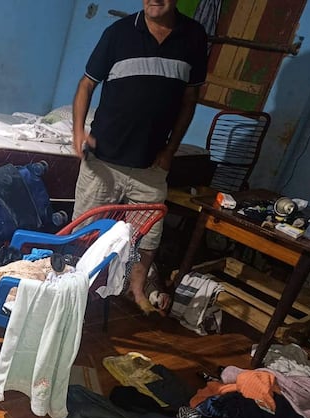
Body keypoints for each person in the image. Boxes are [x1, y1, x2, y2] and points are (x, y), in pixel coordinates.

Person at [72, 0, 208, 314]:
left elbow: (190, 99)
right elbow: (86, 84)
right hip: (103, 161)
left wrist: (171, 149)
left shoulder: (194, 37)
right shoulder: (118, 33)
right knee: (85, 230)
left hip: (150, 164)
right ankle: (76, 284)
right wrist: (77, 132)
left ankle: (135, 288)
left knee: (146, 238)